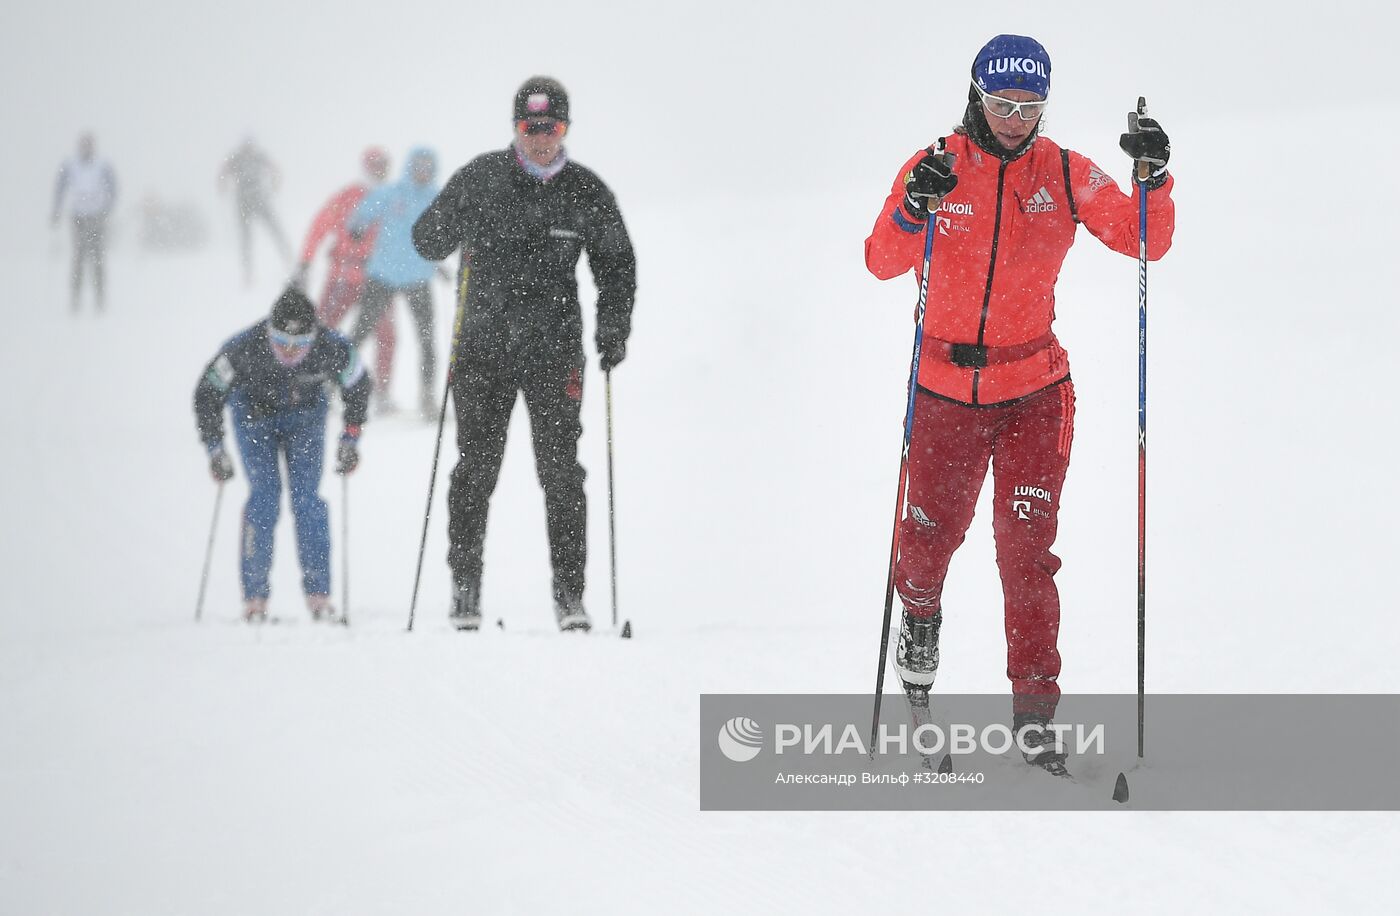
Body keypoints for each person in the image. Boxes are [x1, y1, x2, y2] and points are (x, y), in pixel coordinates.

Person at [864, 35, 1175, 774]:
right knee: (926, 548)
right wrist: (914, 209)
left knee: (1025, 554)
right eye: (1003, 105)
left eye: (1030, 107)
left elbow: (1145, 239)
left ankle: (1035, 716)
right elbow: (881, 260)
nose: (1015, 120)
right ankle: (920, 614)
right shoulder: (935, 164)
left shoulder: (1063, 172)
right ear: (977, 95)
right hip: (943, 393)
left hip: (1035, 392)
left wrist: (1154, 178)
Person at [413, 76, 636, 633]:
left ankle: (570, 596)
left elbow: (616, 264)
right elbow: (426, 241)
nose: (541, 139)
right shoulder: (481, 178)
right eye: (530, 128)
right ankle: (465, 590)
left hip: (555, 352)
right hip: (482, 352)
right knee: (475, 473)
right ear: (516, 129)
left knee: (561, 474)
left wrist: (613, 329)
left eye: (551, 128)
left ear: (566, 129)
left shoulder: (586, 191)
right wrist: (444, 222)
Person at [193, 286, 371, 622]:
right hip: (253, 418)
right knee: (264, 497)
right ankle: (255, 598)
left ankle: (319, 595)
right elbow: (207, 392)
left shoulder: (331, 347)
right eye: (281, 343)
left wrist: (351, 438)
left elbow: (359, 384)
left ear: (313, 336)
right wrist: (215, 448)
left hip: (306, 417)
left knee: (307, 501)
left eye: (300, 345)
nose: (290, 352)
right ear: (269, 333)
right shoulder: (242, 348)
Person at [296, 147, 399, 411]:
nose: (380, 170)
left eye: (383, 165)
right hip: (343, 276)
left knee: (386, 336)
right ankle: (316, 387)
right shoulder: (347, 197)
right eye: (375, 165)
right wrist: (305, 261)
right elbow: (319, 226)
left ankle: (382, 394)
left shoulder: (392, 198)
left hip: (379, 280)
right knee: (323, 331)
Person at [348, 147, 442, 418]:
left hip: (418, 277)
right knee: (359, 332)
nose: (423, 172)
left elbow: (449, 231)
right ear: (410, 167)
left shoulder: (436, 199)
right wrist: (357, 227)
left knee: (426, 340)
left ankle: (427, 396)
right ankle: (333, 383)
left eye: (428, 167)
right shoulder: (392, 193)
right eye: (418, 166)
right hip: (383, 275)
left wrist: (441, 261)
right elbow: (362, 213)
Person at [51, 132, 117, 312]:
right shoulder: (71, 165)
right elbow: (60, 187)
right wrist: (56, 210)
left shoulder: (102, 165)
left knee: (97, 257)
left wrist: (108, 208)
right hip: (79, 217)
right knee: (79, 258)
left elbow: (112, 187)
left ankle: (100, 299)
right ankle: (75, 299)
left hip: (96, 216)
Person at [219, 136, 293, 286]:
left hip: (259, 198)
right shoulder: (237, 158)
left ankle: (289, 260)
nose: (248, 149)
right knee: (247, 238)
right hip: (244, 200)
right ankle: (248, 273)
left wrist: (275, 183)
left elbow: (275, 170)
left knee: (274, 229)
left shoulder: (258, 156)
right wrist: (222, 186)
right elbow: (223, 172)